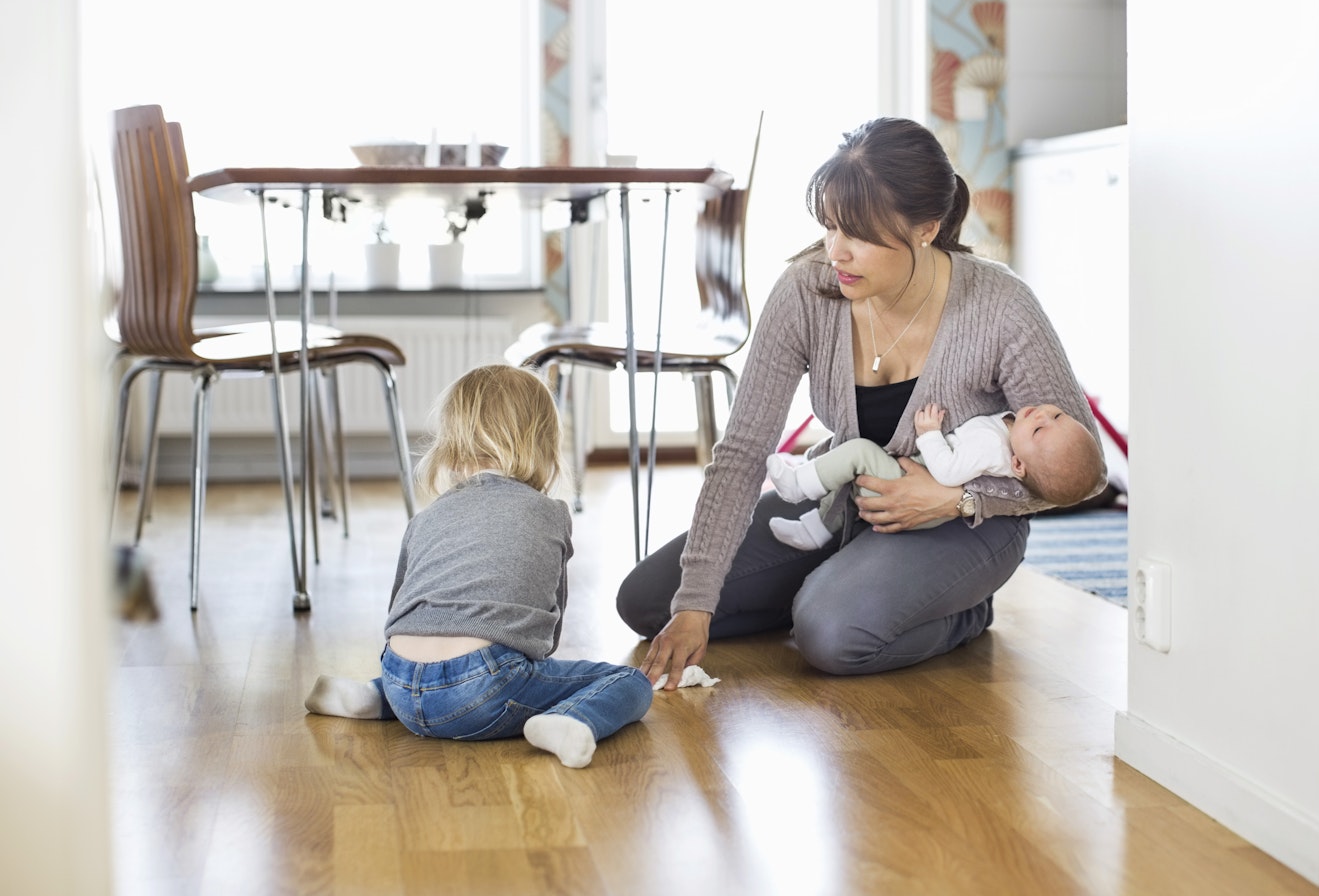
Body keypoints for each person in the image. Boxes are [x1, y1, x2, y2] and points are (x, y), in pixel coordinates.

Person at [615, 117, 1107, 689]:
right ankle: (845, 582)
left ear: (926, 228)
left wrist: (958, 498)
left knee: (830, 635)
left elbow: (1083, 471)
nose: (837, 252)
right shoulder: (806, 289)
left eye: (861, 235)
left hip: (968, 526)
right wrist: (696, 603)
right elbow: (746, 448)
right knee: (650, 602)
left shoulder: (1000, 306)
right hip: (841, 505)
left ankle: (960, 611)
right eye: (829, 226)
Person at [303, 364, 653, 769]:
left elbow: (401, 607)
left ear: (453, 442)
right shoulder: (549, 513)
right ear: (542, 441)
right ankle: (569, 720)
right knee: (630, 681)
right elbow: (547, 630)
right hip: (482, 690)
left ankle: (370, 695)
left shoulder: (427, 517)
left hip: (400, 676)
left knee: (433, 664)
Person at [766, 401, 1104, 550]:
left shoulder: (991, 446)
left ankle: (796, 486)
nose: (1042, 415)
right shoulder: (1011, 434)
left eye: (1039, 431)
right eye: (1057, 414)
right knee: (849, 473)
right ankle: (817, 529)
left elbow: (946, 471)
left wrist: (929, 433)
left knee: (857, 453)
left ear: (1018, 466)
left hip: (907, 491)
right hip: (909, 482)